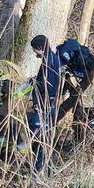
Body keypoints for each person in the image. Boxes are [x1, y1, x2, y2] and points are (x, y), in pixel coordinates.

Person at [28, 35, 62, 172]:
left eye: (34, 50)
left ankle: (38, 168)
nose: (34, 53)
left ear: (40, 48)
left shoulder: (48, 62)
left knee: (38, 137)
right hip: (50, 105)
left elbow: (49, 86)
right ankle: (45, 167)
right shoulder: (54, 59)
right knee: (45, 137)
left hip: (45, 106)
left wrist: (35, 83)